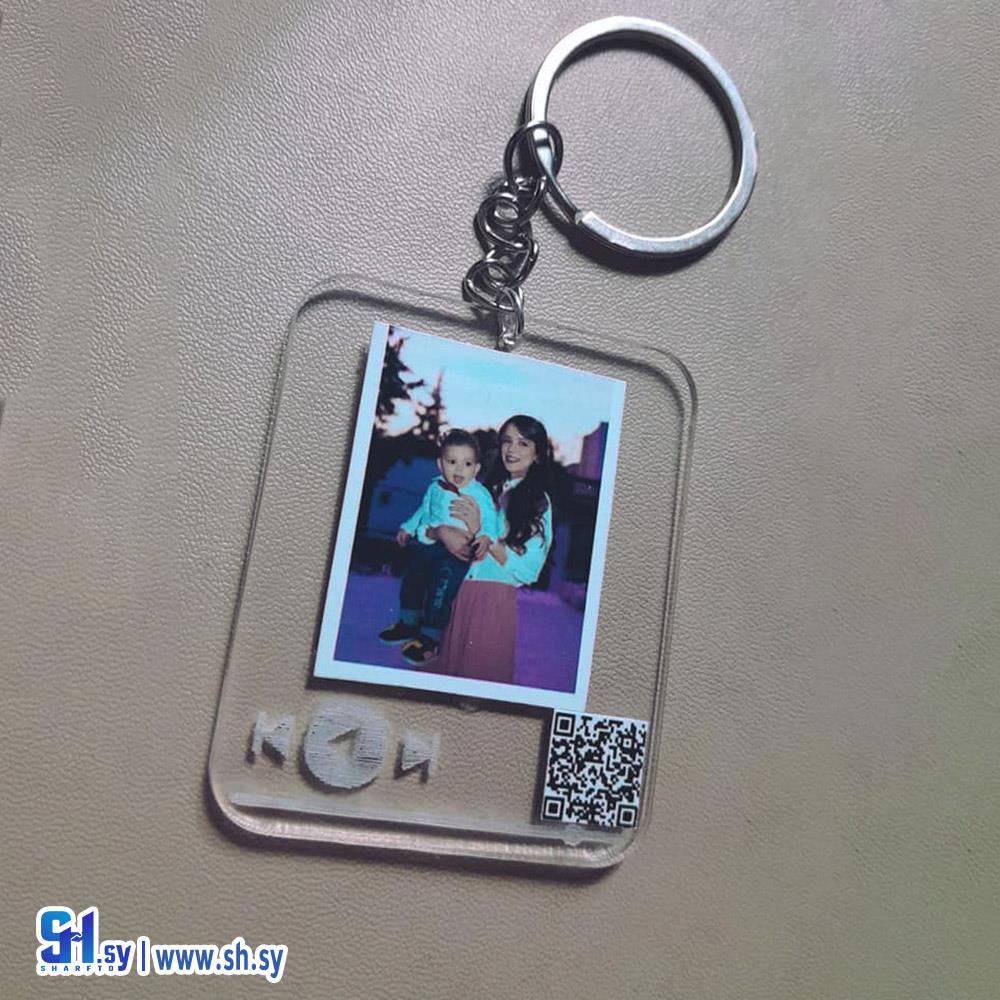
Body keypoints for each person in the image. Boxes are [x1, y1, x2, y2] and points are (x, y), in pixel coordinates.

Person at [433, 415, 554, 684]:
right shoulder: (483, 490)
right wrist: (442, 532)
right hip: (454, 592)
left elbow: (529, 570)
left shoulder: (538, 502)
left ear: (537, 454)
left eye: (523, 443)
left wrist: (484, 533)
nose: (512, 449)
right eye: (507, 441)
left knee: (475, 687)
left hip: (492, 601)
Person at [378, 429, 497, 664]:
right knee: (412, 579)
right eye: (452, 462)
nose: (459, 469)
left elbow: (490, 519)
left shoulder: (479, 493)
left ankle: (430, 637)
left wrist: (485, 537)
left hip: (454, 554)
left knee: (440, 591)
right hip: (429, 544)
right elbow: (424, 511)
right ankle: (408, 624)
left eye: (467, 464)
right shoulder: (434, 487)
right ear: (440, 464)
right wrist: (408, 527)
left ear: (476, 469)